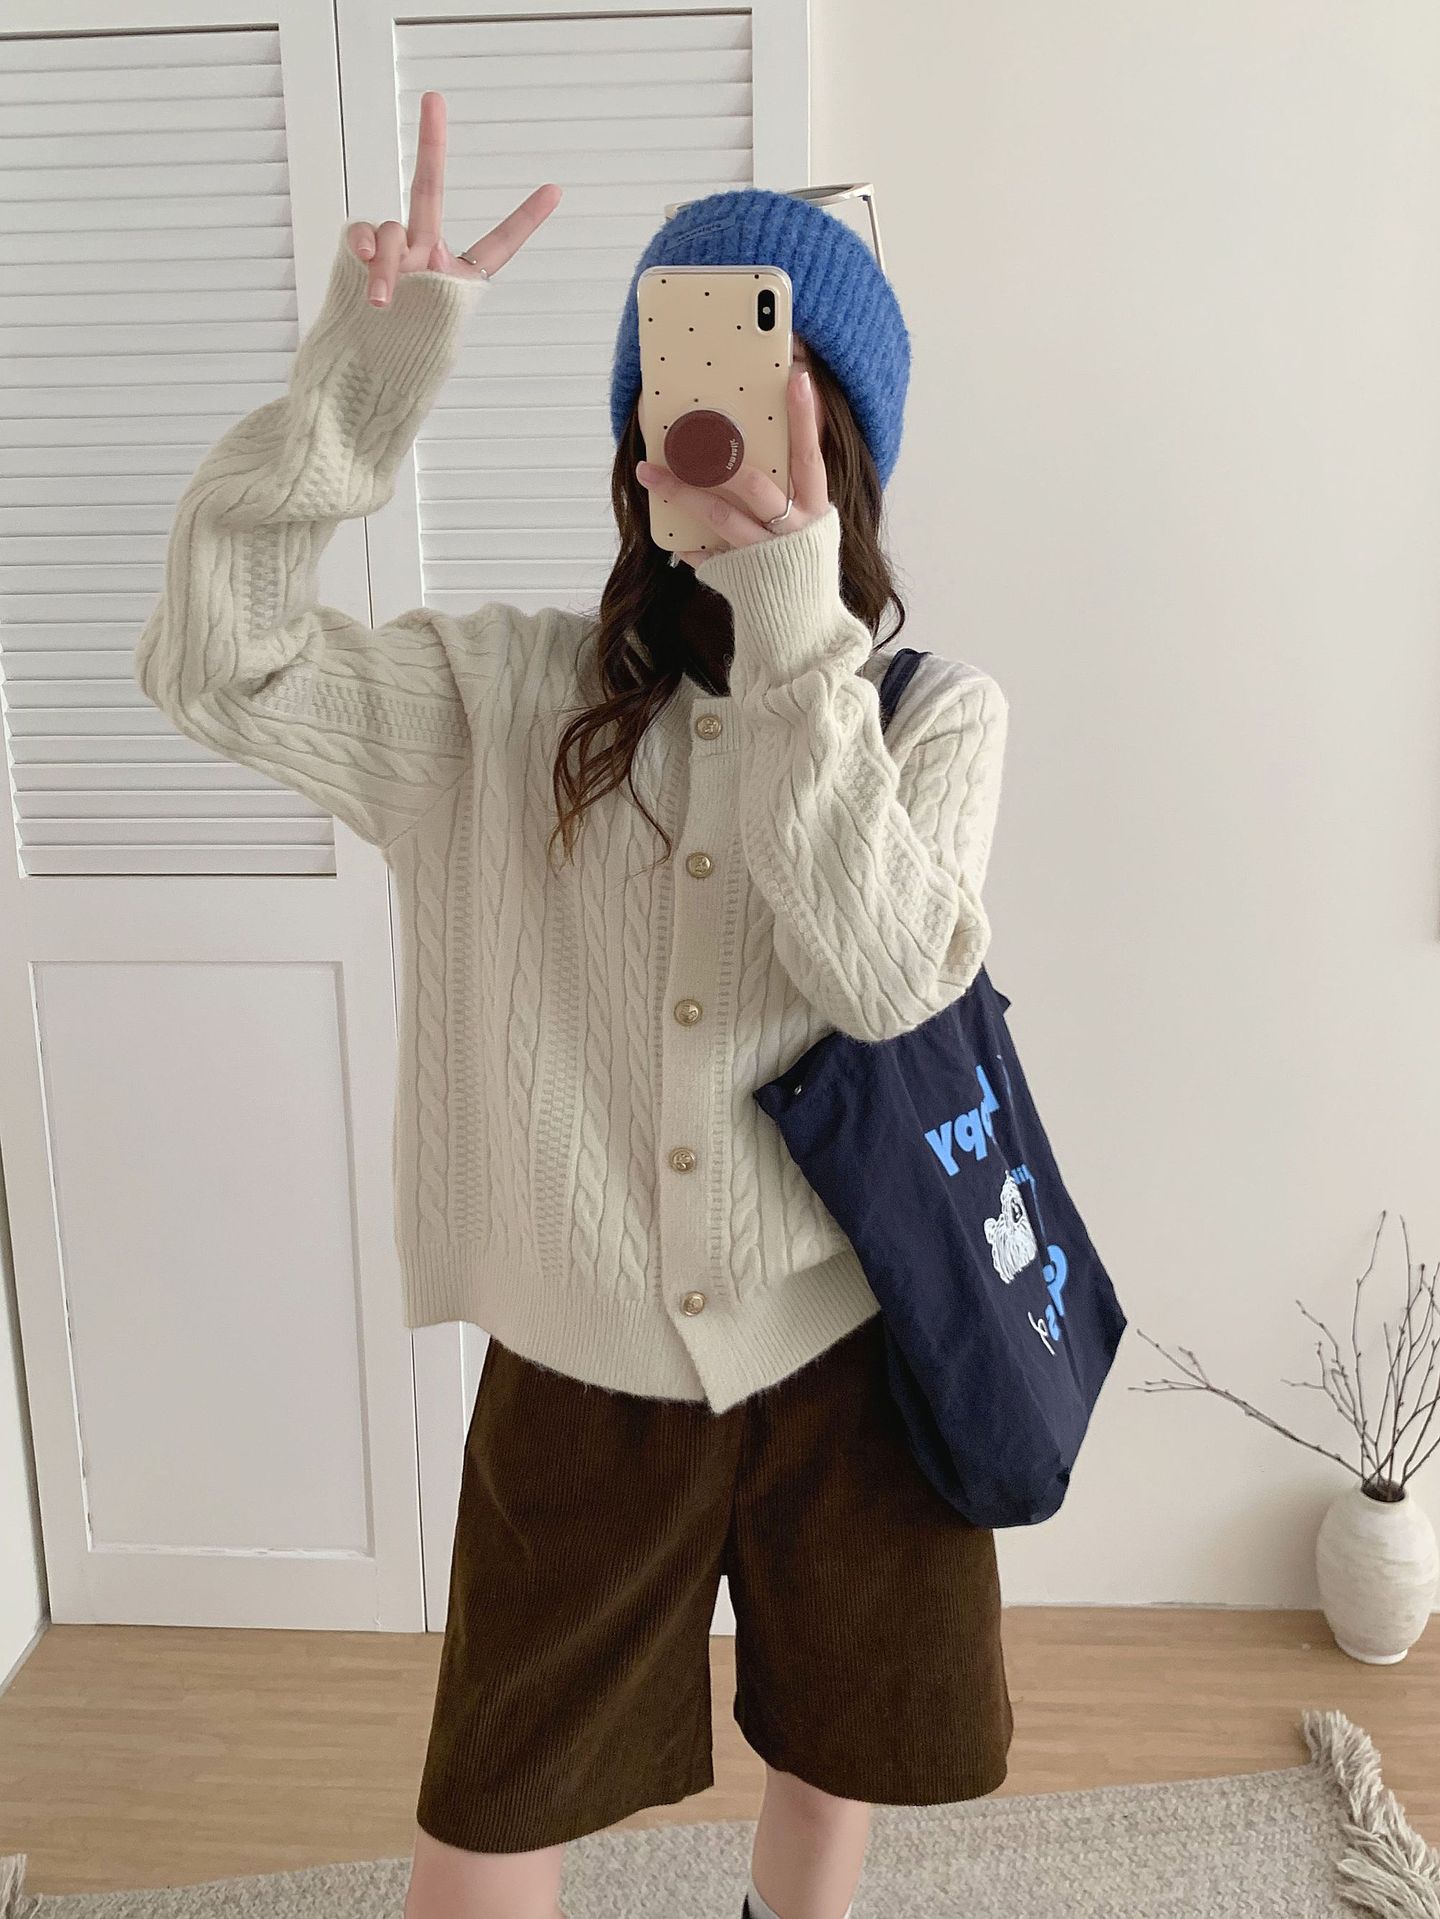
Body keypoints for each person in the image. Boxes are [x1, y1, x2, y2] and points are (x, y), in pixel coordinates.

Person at [134, 89, 1012, 1919]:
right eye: (682, 375)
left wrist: (788, 622)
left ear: (849, 446)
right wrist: (360, 389)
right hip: (578, 1378)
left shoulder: (933, 719)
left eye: (777, 385)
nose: (718, 419)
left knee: (833, 1770)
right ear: (630, 433)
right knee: (489, 1817)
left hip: (849, 1358)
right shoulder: (495, 701)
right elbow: (215, 666)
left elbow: (882, 981)